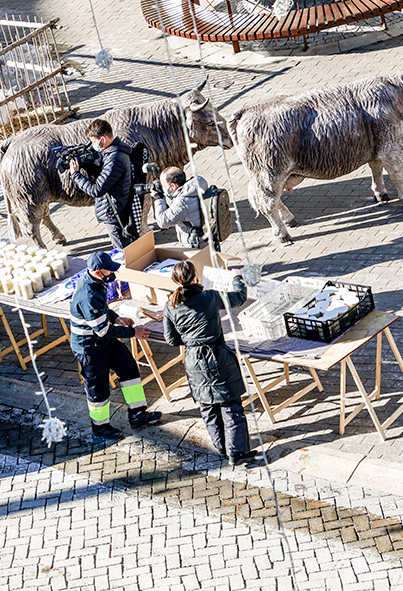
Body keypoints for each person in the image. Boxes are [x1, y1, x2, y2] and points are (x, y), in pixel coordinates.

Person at [162, 260, 262, 466]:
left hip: (193, 360)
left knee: (208, 407)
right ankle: (237, 452)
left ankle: (223, 449)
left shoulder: (170, 305)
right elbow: (239, 297)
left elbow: (171, 339)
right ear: (195, 277)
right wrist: (237, 277)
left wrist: (191, 341)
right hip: (217, 357)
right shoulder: (209, 297)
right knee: (230, 404)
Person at [70, 251, 162, 438]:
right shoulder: (88, 295)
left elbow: (104, 310)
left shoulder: (96, 283)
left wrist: (117, 318)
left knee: (128, 368)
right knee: (98, 388)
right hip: (89, 348)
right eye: (108, 270)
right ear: (97, 272)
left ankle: (138, 414)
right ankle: (100, 426)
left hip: (103, 341)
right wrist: (133, 333)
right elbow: (102, 330)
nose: (112, 273)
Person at [68, 119, 137, 250]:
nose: (93, 145)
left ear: (103, 139)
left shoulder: (115, 158)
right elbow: (105, 177)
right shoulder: (113, 152)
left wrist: (75, 175)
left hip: (115, 212)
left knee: (122, 251)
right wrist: (88, 166)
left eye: (94, 141)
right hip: (116, 207)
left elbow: (97, 190)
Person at [154, 167, 208, 249]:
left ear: (173, 186)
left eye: (164, 186)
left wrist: (159, 199)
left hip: (196, 246)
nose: (163, 188)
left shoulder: (182, 203)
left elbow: (162, 222)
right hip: (209, 240)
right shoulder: (196, 186)